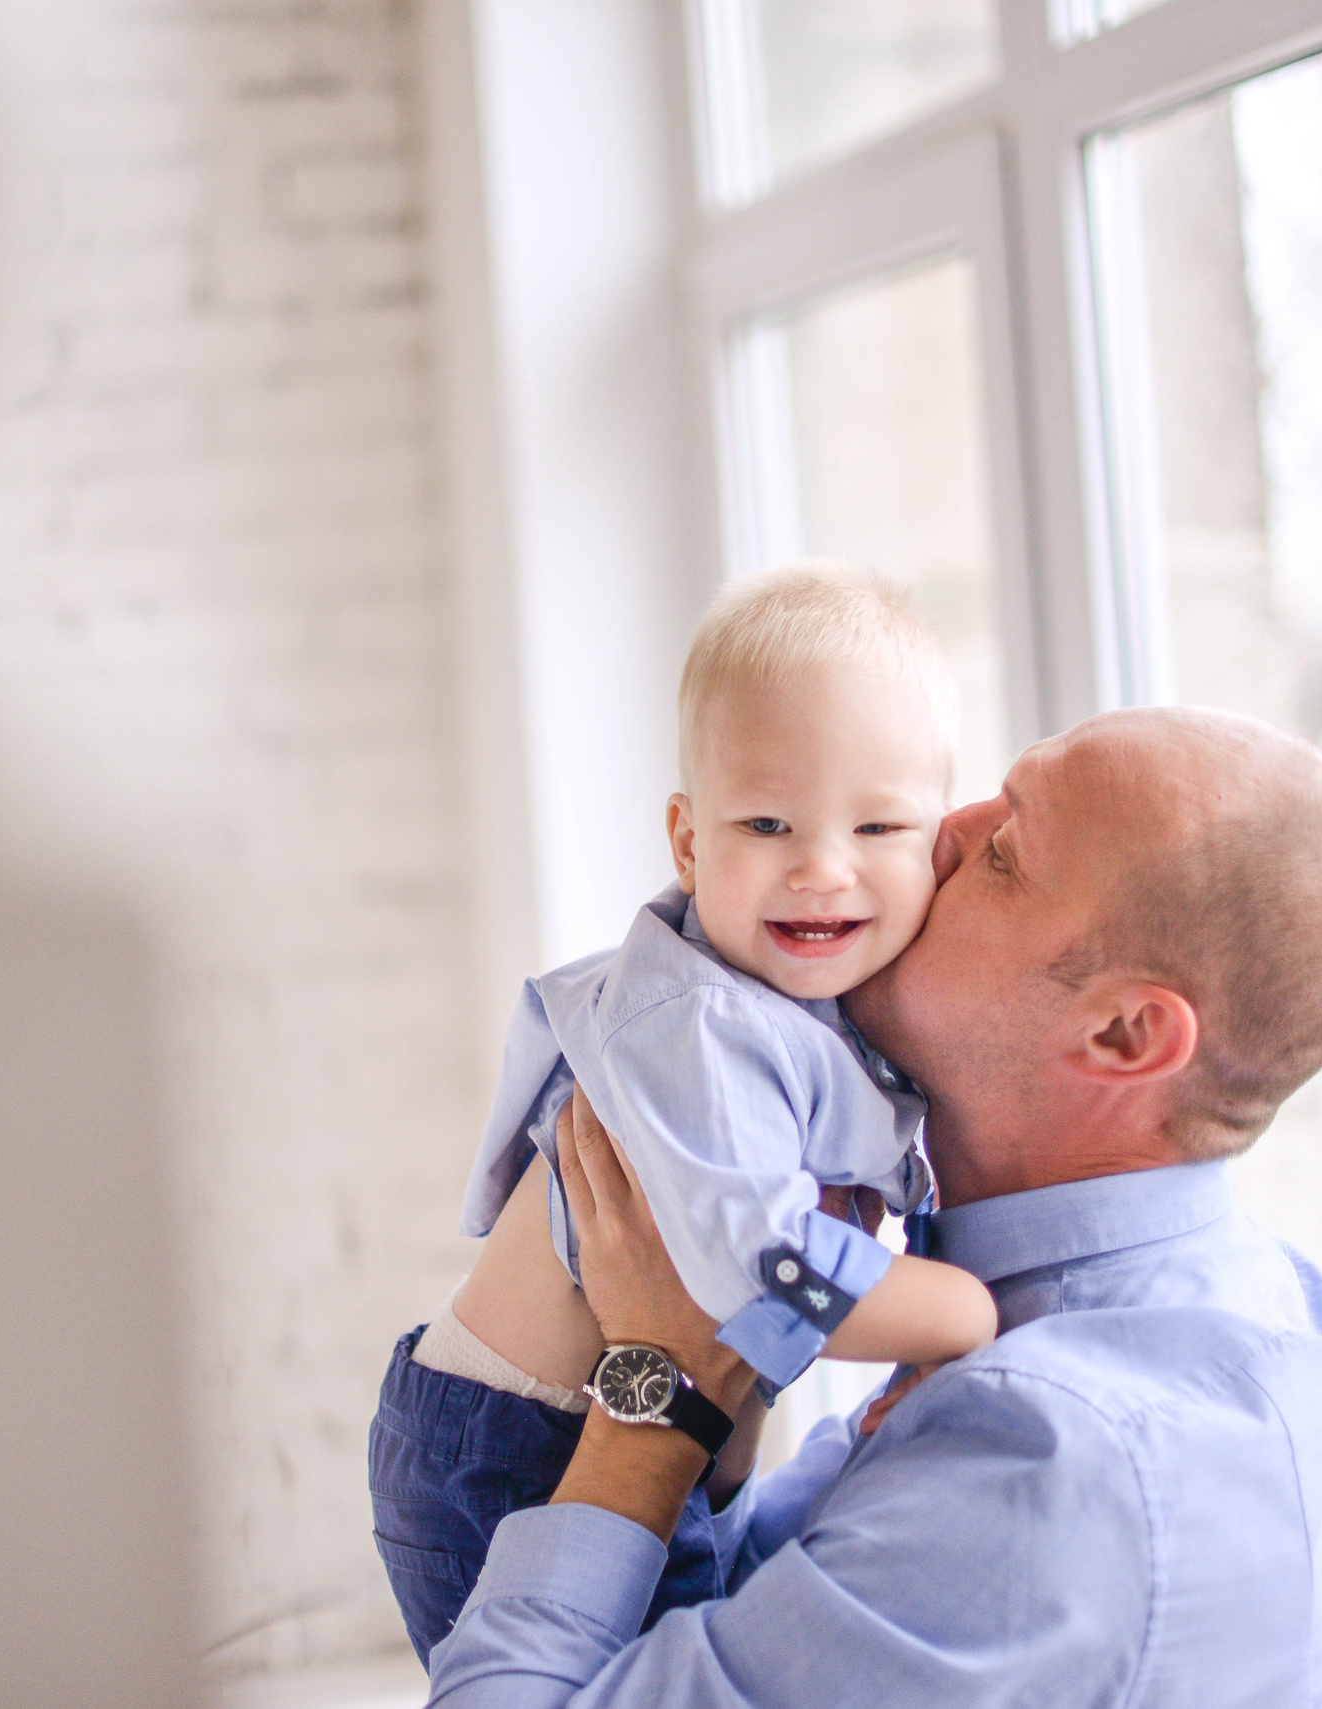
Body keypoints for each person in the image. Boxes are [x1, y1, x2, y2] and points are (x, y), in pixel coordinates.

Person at [423, 705, 1322, 1707]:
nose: (937, 834)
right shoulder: (1195, 1302)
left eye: (1004, 854)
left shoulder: (1051, 1459)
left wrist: (660, 1385)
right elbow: (737, 1624)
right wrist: (727, 1358)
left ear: (1122, 1033)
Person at [370, 567, 997, 1660]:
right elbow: (764, 1270)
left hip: (651, 1435)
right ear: (689, 841)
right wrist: (962, 1313)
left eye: (878, 823)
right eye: (767, 822)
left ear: (936, 844)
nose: (822, 867)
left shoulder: (820, 1010)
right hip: (518, 1457)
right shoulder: (700, 1024)